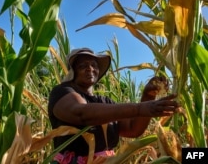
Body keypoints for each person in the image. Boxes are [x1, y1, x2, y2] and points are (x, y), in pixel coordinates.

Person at [48, 47, 180, 164]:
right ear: (73, 71)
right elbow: (81, 113)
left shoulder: (105, 102)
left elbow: (133, 129)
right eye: (83, 66)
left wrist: (148, 96)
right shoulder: (62, 92)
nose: (90, 68)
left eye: (94, 65)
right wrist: (140, 108)